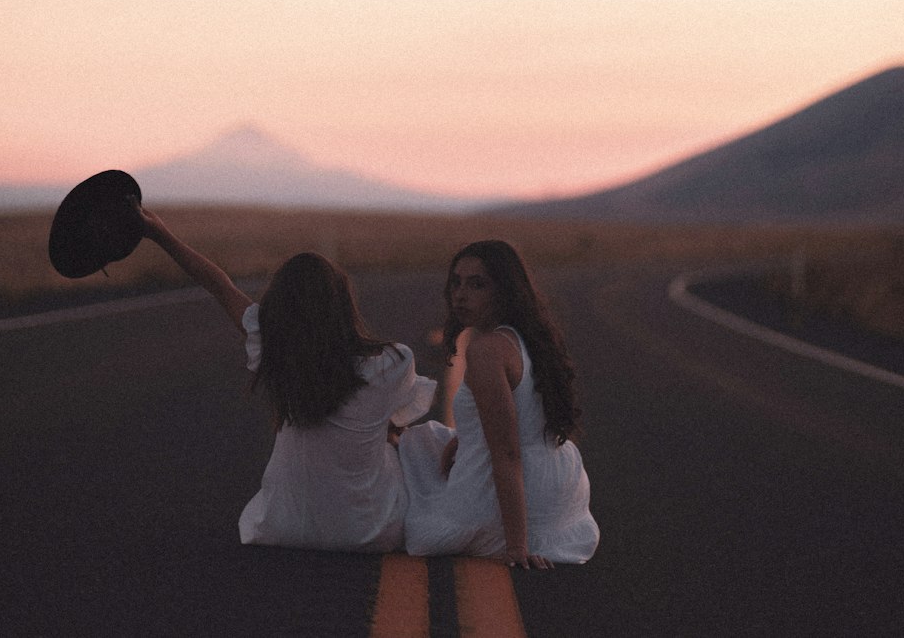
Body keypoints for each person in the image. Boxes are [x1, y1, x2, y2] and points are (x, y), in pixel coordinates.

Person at [135, 207, 436, 551]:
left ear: (278, 302)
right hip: (367, 531)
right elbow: (393, 424)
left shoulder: (275, 349)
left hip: (283, 527)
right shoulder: (392, 362)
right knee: (423, 443)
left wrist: (160, 235)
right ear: (343, 302)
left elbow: (219, 285)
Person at [397, 240, 599, 568]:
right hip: (560, 492)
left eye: (477, 284)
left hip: (515, 497)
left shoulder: (487, 350)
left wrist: (517, 546)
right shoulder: (530, 339)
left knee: (408, 453)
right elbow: (523, 417)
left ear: (505, 291)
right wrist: (465, 440)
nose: (461, 295)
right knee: (434, 440)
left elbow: (506, 453)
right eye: (456, 283)